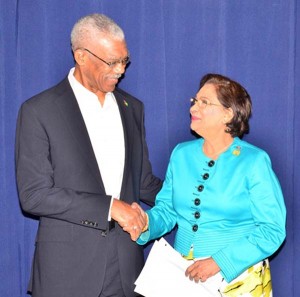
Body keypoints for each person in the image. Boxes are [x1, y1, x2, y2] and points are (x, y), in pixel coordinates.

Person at [15, 13, 162, 297]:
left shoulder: (133, 108)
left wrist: (203, 199)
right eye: (112, 62)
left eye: (124, 61)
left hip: (127, 273)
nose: (120, 70)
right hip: (67, 274)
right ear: (81, 56)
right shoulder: (39, 111)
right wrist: (110, 207)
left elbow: (143, 183)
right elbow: (34, 195)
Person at [135, 73, 286, 296]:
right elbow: (168, 211)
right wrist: (144, 223)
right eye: (194, 101)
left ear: (228, 114)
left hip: (238, 277)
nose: (193, 108)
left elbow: (272, 230)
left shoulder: (254, 161)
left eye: (204, 102)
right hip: (184, 276)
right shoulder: (181, 154)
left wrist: (220, 261)